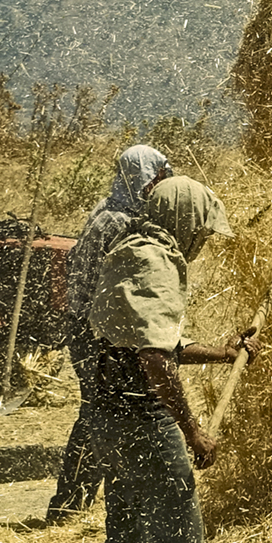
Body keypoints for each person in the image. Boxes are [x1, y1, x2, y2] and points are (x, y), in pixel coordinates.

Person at [86, 174, 256, 543]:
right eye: (201, 234)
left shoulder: (128, 251)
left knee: (127, 540)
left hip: (109, 422)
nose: (202, 244)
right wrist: (193, 429)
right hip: (143, 425)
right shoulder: (156, 261)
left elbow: (156, 343)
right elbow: (155, 359)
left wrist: (224, 354)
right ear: (184, 223)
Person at [43, 144, 173, 523]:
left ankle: (71, 504)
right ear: (145, 179)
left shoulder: (108, 207)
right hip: (95, 332)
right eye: (158, 177)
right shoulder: (123, 222)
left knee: (99, 415)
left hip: (84, 325)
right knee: (100, 417)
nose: (160, 185)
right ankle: (69, 507)